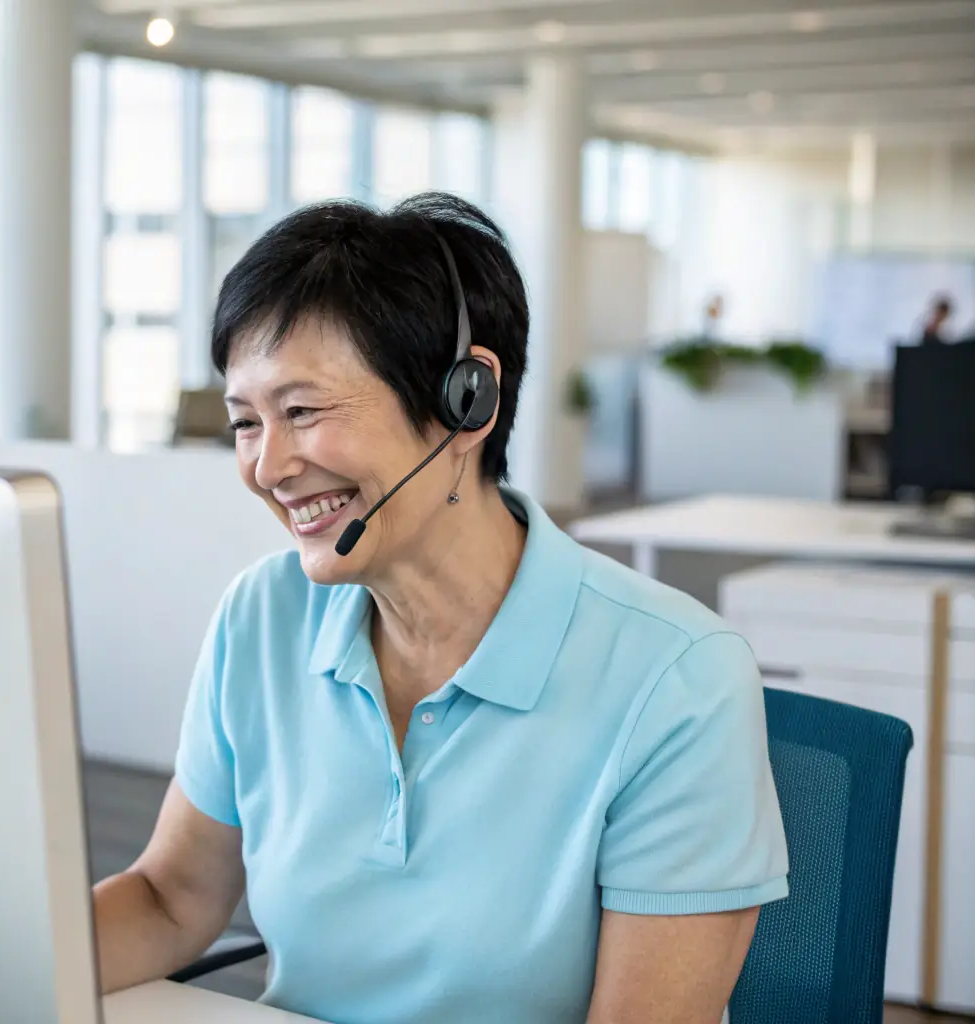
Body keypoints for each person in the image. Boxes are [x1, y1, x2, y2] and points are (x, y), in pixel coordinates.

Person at [93, 193, 789, 1024]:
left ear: (468, 401)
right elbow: (172, 899)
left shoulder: (675, 677)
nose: (269, 466)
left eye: (302, 412)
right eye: (247, 422)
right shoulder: (262, 617)